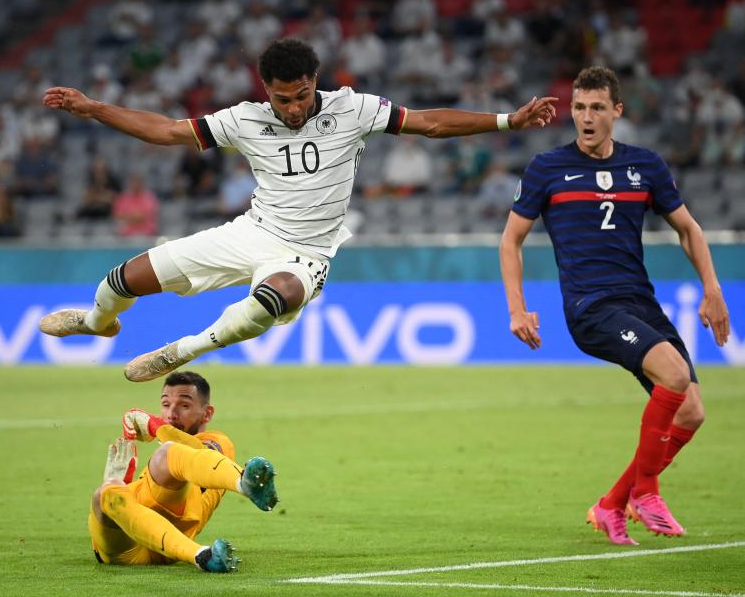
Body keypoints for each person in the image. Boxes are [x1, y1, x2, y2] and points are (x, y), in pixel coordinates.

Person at [40, 38, 557, 382]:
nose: (293, 108)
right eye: (282, 99)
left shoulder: (353, 109)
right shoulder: (243, 119)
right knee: (123, 279)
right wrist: (95, 109)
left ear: (316, 80)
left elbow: (431, 123)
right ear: (267, 90)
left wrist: (509, 120)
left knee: (276, 295)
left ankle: (182, 351)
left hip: (307, 253)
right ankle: (96, 321)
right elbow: (168, 132)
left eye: (302, 95)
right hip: (251, 231)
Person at [499, 66, 731, 546]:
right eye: (579, 107)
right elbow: (511, 241)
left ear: (616, 112)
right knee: (675, 374)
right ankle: (645, 493)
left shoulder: (644, 166)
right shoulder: (547, 169)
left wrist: (712, 288)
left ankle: (611, 505)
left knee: (691, 412)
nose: (586, 117)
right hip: (590, 306)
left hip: (638, 302)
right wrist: (517, 309)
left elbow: (688, 228)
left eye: (597, 108)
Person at [88, 371, 278, 573]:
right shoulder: (168, 453)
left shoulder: (217, 443)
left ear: (207, 413)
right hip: (126, 548)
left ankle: (245, 484)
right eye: (165, 404)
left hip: (174, 531)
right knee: (103, 494)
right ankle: (203, 556)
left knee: (166, 453)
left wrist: (156, 427)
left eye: (184, 405)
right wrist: (119, 484)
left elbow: (199, 454)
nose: (171, 414)